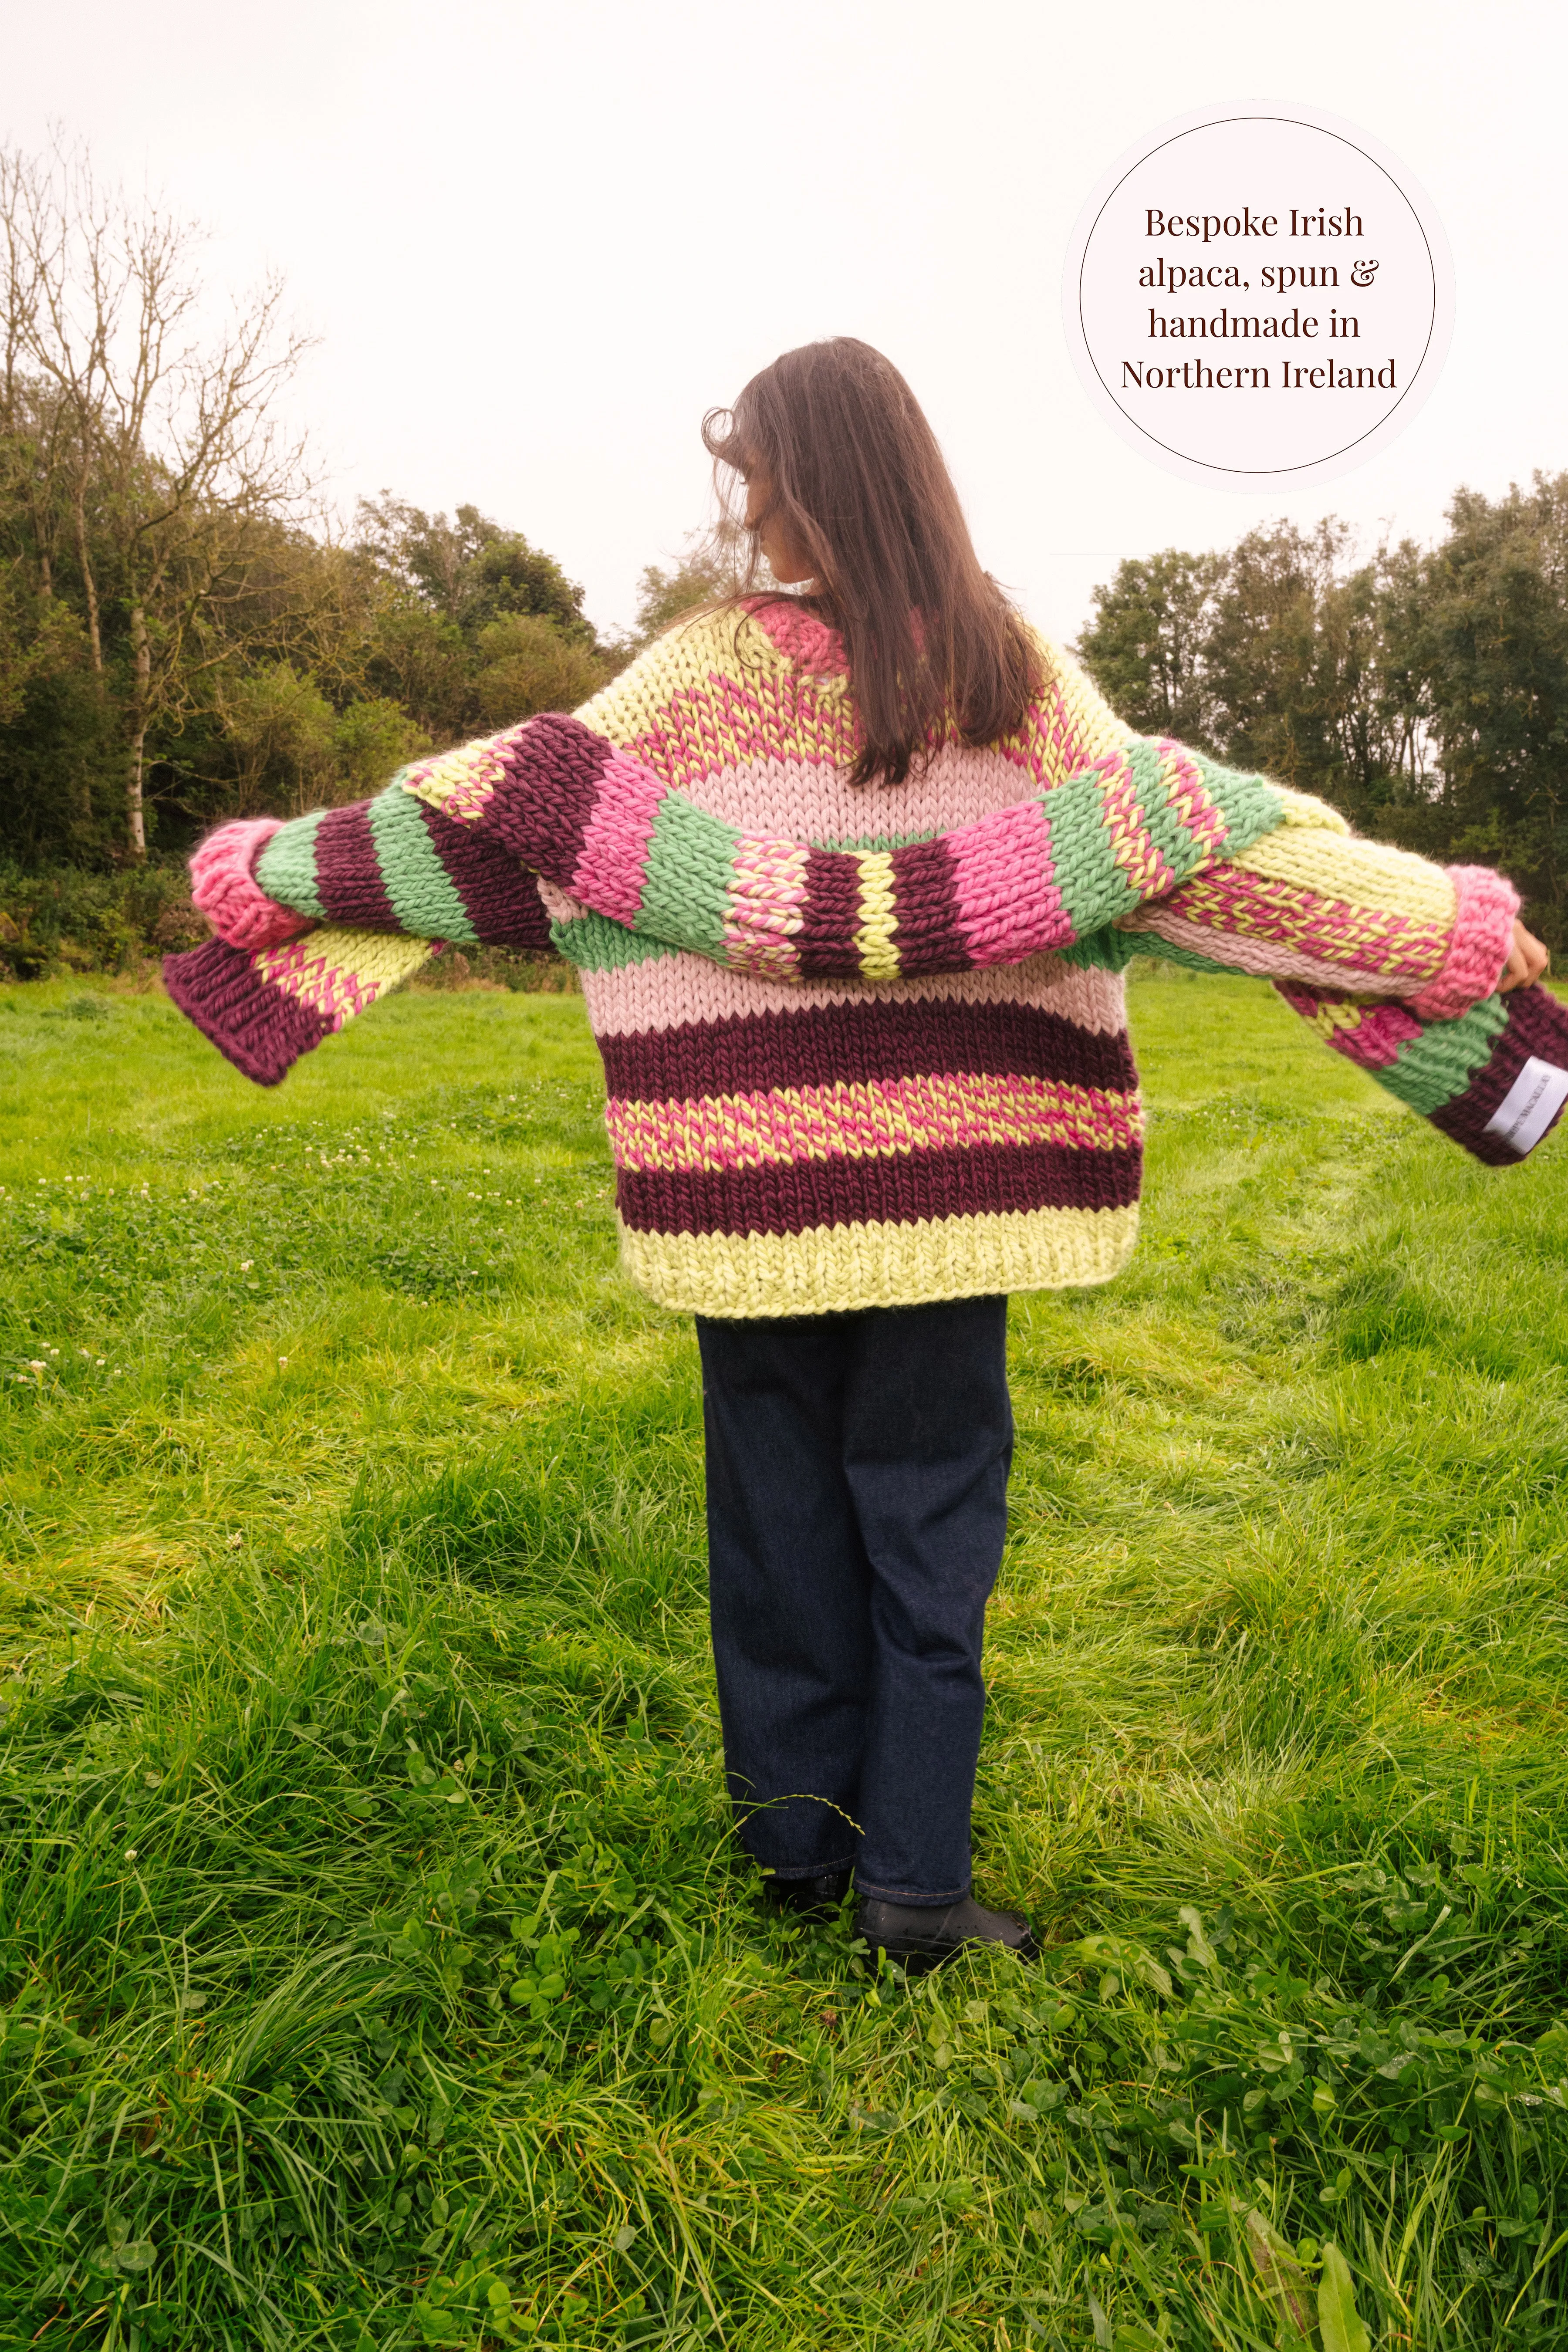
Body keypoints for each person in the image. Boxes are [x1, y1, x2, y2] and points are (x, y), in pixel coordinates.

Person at [166, 339, 1559, 1969]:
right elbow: (1205, 867)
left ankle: (791, 1854)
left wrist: (268, 876)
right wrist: (1446, 932)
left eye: (752, 475)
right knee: (929, 1531)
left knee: (771, 1527)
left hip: (742, 1198)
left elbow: (488, 830)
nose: (746, 508)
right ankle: (913, 1887)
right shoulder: (1012, 672)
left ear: (794, 482)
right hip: (965, 1202)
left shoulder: (690, 682)